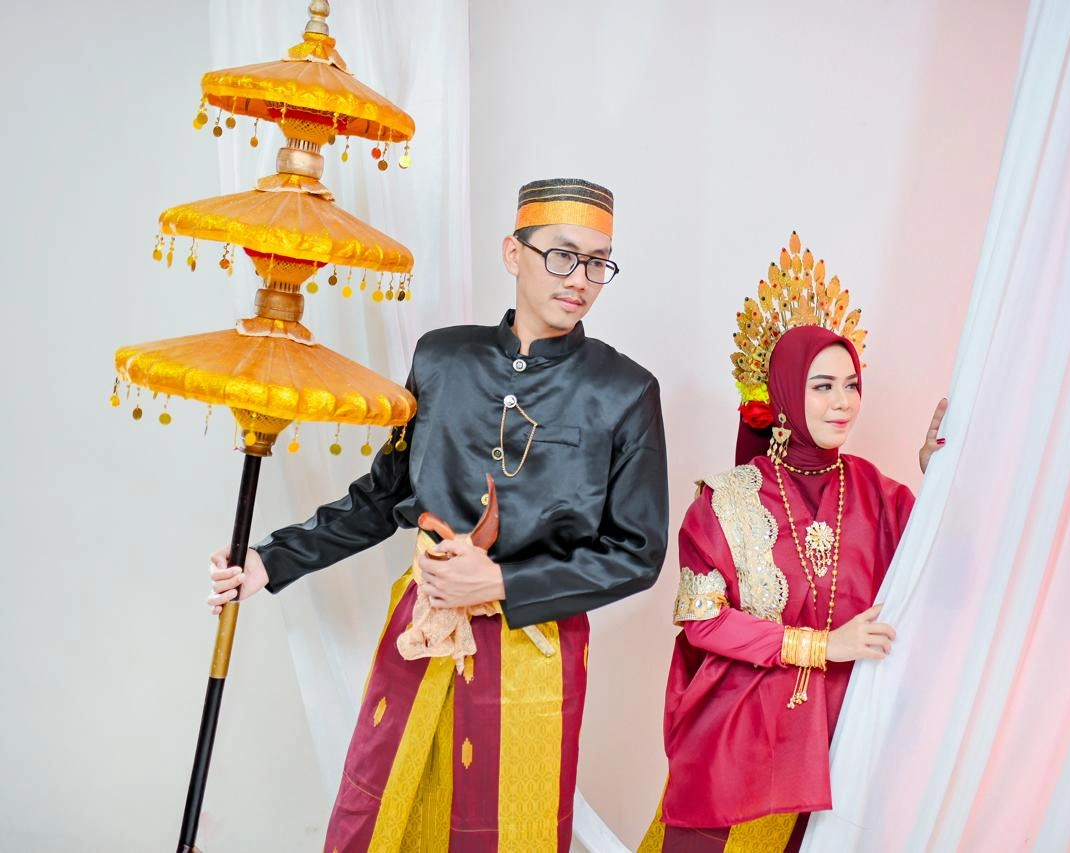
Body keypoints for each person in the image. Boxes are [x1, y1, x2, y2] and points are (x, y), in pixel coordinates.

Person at [207, 178, 670, 852]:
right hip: (422, 626)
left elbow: (636, 552)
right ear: (513, 252)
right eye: (562, 255)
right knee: (383, 812)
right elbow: (383, 496)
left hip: (535, 646)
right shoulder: (442, 358)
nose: (580, 279)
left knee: (509, 827)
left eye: (598, 263)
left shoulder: (624, 390)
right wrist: (269, 560)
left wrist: (503, 581)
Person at [638, 266, 945, 851]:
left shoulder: (882, 497)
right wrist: (822, 646)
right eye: (822, 386)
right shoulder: (726, 500)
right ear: (782, 395)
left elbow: (946, 581)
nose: (843, 403)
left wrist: (939, 479)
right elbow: (704, 622)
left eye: (851, 385)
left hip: (846, 741)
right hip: (742, 741)